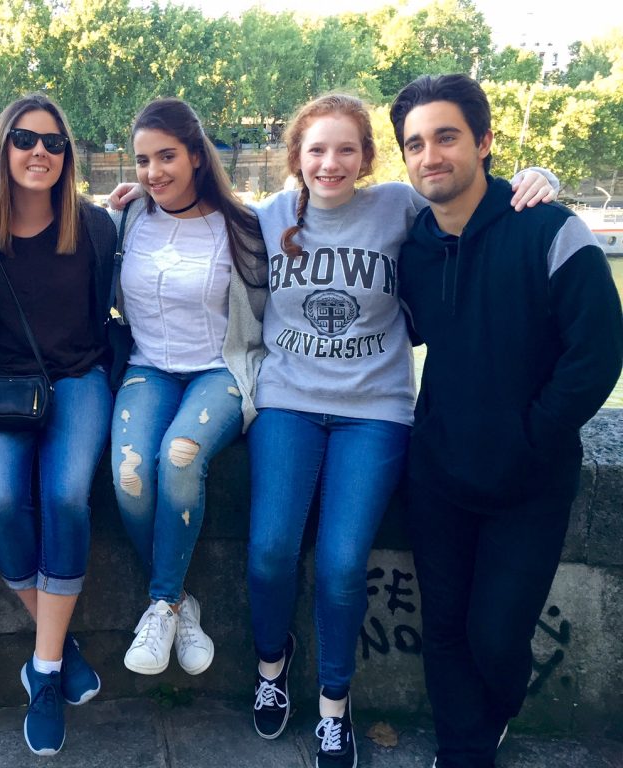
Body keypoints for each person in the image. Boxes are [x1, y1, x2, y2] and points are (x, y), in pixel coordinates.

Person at [108, 93, 557, 768]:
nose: (331, 163)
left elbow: (474, 209)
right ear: (297, 157)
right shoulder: (267, 217)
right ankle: (271, 667)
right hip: (287, 402)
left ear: (369, 157)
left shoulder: (400, 208)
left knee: (344, 563)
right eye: (316, 149)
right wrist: (127, 202)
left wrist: (538, 180)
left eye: (347, 148)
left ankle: (334, 706)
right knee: (269, 551)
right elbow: (191, 215)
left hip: (375, 411)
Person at [388, 74, 623, 768]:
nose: (430, 155)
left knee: (496, 634)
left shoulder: (550, 228)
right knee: (446, 630)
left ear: (485, 142)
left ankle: (498, 714)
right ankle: (465, 748)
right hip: (436, 475)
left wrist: (531, 437)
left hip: (529, 481)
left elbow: (596, 355)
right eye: (414, 144)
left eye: (446, 137)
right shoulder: (414, 249)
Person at [0, 93, 117, 756]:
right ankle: (60, 643)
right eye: (25, 139)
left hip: (79, 378)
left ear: (68, 155)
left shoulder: (96, 227)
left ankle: (44, 670)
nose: (40, 153)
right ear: (3, 147)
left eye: (54, 143)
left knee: (65, 496)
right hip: (0, 384)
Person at [109, 98, 266, 679]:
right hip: (148, 366)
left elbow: (321, 212)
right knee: (129, 474)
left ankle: (162, 603)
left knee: (180, 458)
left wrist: (536, 179)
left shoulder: (244, 224)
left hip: (218, 370)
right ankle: (177, 603)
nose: (154, 172)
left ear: (197, 157)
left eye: (167, 156)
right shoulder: (127, 218)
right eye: (144, 160)